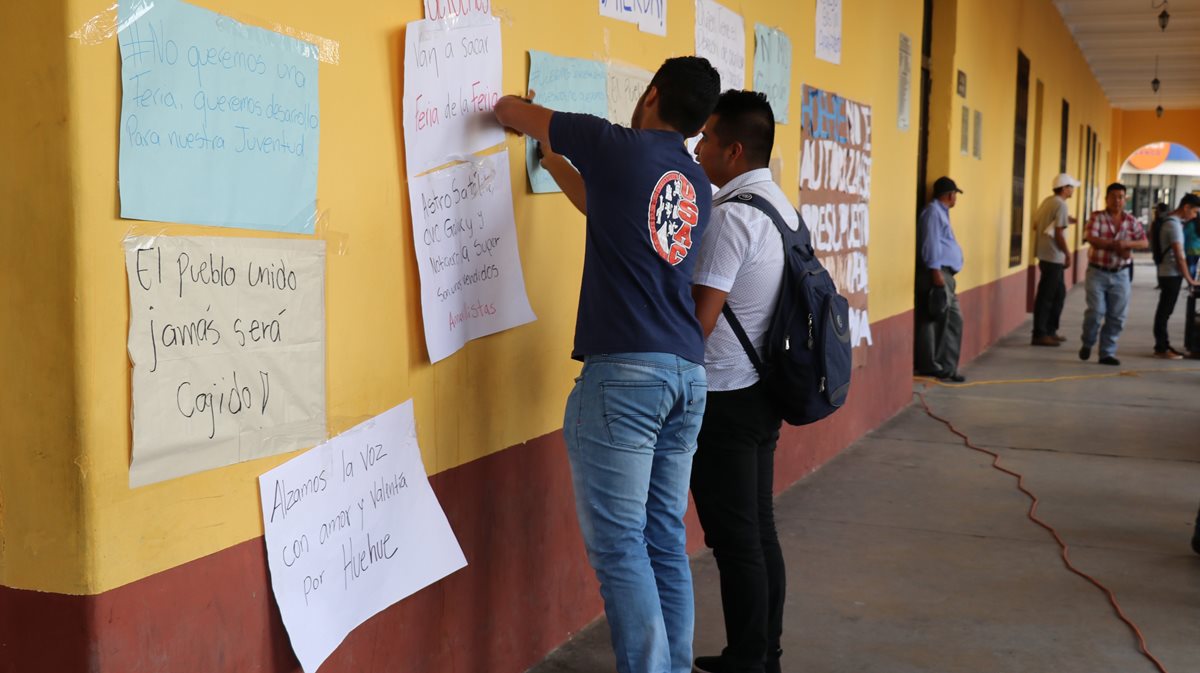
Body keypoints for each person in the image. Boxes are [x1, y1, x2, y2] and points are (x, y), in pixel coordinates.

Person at [492, 57, 720, 673]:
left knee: (621, 546)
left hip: (626, 379)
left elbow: (507, 111)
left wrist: (528, 115)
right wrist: (555, 161)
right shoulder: (695, 182)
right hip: (686, 378)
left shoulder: (615, 144)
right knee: (663, 538)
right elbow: (602, 205)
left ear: (651, 95)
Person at [689, 90, 791, 673]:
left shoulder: (731, 218)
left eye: (704, 137)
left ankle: (750, 660)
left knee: (734, 541)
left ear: (731, 149)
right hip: (762, 389)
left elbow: (699, 322)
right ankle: (760, 653)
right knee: (759, 529)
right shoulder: (779, 206)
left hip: (725, 396)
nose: (697, 147)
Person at [1078, 183, 1147, 366]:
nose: (1117, 200)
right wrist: (1114, 245)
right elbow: (1091, 238)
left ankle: (1107, 353)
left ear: (1125, 199)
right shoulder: (1097, 217)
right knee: (1096, 311)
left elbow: (1143, 242)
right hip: (1097, 272)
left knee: (1117, 316)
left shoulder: (1131, 221)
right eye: (1114, 196)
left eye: (1121, 197)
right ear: (1106, 198)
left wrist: (1127, 245)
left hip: (1121, 274)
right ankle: (1088, 341)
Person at [915, 177, 966, 382]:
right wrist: (935, 272)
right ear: (950, 195)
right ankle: (931, 365)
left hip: (947, 275)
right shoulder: (932, 212)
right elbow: (930, 243)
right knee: (934, 319)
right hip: (938, 273)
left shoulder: (942, 213)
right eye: (955, 195)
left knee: (954, 320)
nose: (956, 199)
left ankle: (947, 366)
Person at [1031, 173, 1081, 346]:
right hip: (1053, 256)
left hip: (1045, 254)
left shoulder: (1048, 201)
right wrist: (1068, 253)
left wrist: (1067, 220)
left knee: (1058, 293)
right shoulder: (1061, 205)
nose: (1072, 190)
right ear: (1065, 188)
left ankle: (1050, 331)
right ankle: (1040, 334)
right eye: (1071, 187)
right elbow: (1059, 233)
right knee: (1047, 296)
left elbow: (1037, 224)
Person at [1151, 193, 1200, 359]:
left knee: (1165, 310)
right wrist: (1190, 279)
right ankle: (1162, 347)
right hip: (1171, 273)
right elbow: (1179, 256)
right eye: (1194, 212)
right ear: (1186, 207)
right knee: (1165, 311)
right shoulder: (1174, 225)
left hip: (1167, 272)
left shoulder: (1172, 222)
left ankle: (1162, 345)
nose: (1194, 216)